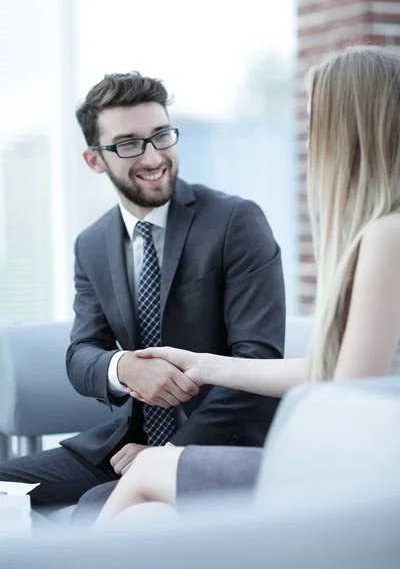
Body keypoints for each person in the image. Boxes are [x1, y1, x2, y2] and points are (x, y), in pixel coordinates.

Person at [94, 45, 400, 524]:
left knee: (147, 471)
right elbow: (337, 370)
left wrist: (286, 449)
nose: (309, 143)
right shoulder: (383, 232)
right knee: (142, 507)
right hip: (357, 462)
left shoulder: (388, 235)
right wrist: (204, 365)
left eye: (315, 123)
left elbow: (348, 390)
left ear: (351, 131)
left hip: (356, 475)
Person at [0, 71, 285, 511]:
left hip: (219, 445)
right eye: (128, 143)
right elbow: (82, 354)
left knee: (97, 508)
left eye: (161, 136)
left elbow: (258, 362)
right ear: (95, 160)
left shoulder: (235, 221)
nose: (153, 157)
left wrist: (166, 455)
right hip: (124, 444)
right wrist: (123, 367)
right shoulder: (92, 243)